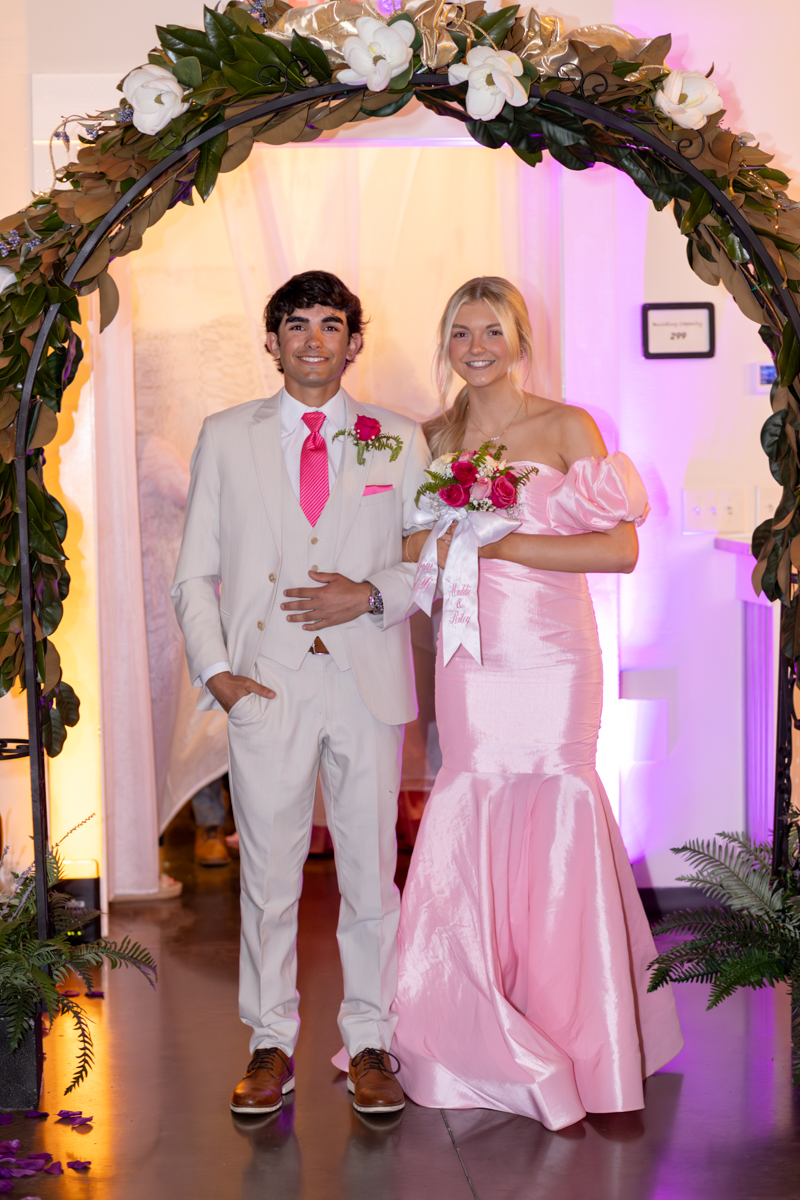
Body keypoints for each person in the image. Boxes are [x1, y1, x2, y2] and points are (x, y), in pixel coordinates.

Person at [393, 277, 683, 1130]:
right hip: (470, 657)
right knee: (472, 795)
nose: (475, 344)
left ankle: (584, 1034)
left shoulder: (565, 424)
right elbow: (416, 550)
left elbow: (623, 550)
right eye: (459, 330)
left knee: (558, 805)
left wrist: (501, 537)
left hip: (553, 655)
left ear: (521, 339)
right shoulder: (432, 435)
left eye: (492, 329)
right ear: (444, 342)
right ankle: (466, 1017)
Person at [171, 270, 430, 1117]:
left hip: (364, 681)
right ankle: (269, 1041)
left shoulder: (398, 438)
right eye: (296, 324)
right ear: (272, 339)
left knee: (369, 874)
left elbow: (429, 560)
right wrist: (219, 677)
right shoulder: (225, 435)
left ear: (355, 341)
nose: (313, 339)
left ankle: (370, 1043)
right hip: (268, 688)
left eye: (330, 324)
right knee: (270, 877)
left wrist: (372, 593)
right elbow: (194, 573)